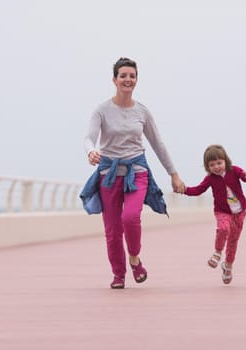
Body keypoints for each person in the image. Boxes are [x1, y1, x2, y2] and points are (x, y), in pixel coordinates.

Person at [81, 57, 185, 289]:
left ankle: (135, 259)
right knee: (112, 230)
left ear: (136, 80)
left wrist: (173, 174)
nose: (128, 80)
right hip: (108, 173)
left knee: (130, 218)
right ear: (114, 80)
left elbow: (158, 144)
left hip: (137, 172)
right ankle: (118, 275)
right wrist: (91, 152)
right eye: (123, 76)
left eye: (132, 76)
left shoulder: (142, 112)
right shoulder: (102, 110)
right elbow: (89, 137)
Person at [183, 144, 246, 284]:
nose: (216, 167)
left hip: (239, 213)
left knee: (233, 241)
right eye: (212, 165)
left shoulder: (234, 170)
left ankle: (228, 266)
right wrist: (184, 189)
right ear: (207, 167)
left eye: (219, 163)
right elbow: (198, 190)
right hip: (222, 211)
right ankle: (217, 252)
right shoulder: (210, 178)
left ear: (225, 161)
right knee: (223, 228)